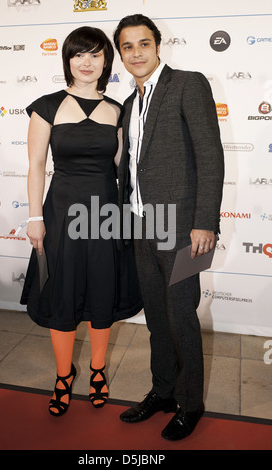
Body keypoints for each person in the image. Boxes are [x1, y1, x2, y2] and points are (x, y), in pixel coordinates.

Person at [20, 26, 143, 417]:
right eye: (78, 54)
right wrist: (35, 216)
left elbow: (123, 168)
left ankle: (98, 370)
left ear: (107, 60)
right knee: (63, 292)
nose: (86, 62)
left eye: (95, 54)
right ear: (68, 60)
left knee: (103, 290)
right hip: (61, 213)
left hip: (107, 212)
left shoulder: (119, 110)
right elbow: (37, 165)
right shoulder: (47, 105)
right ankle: (62, 375)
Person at [113, 14, 224, 440]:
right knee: (157, 319)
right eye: (127, 46)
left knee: (181, 318)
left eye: (143, 44)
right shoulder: (129, 103)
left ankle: (191, 404)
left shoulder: (188, 84)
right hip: (143, 226)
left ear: (158, 46)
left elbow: (211, 158)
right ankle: (162, 391)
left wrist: (204, 223)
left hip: (184, 230)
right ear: (121, 54)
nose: (136, 53)